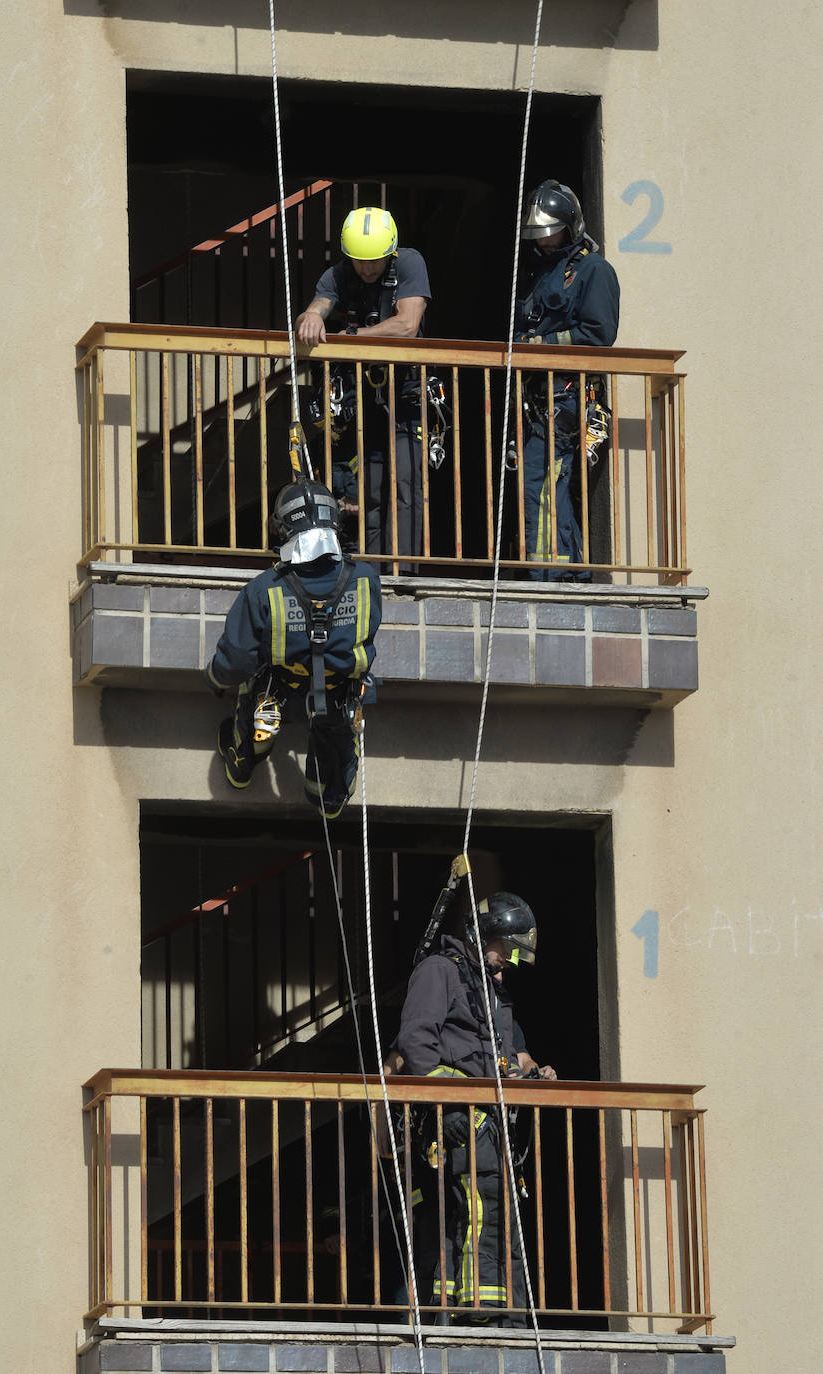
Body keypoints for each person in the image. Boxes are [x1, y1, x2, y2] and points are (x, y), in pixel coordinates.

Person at [391, 891, 556, 1325]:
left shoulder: (490, 990)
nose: (511, 962)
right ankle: (478, 1313)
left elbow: (513, 1053)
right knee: (477, 1210)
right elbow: (416, 1045)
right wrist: (451, 1104)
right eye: (508, 951)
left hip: (489, 1123)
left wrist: (534, 1073)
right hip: (456, 1121)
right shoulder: (440, 972)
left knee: (493, 1211)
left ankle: (499, 1313)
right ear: (488, 935)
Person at [204, 478, 381, 818]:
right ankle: (327, 798)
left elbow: (238, 658)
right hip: (339, 688)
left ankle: (246, 757)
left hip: (283, 684)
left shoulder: (263, 589)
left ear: (283, 528)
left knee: (252, 686)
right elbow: (367, 635)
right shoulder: (366, 579)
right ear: (334, 521)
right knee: (337, 748)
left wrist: (214, 679)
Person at [296, 207, 431, 564]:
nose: (367, 269)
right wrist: (310, 316)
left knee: (405, 486)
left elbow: (407, 325)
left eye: (375, 261)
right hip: (366, 398)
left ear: (390, 253)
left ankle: (403, 574)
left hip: (406, 395)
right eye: (360, 262)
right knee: (369, 489)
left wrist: (353, 336)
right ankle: (371, 571)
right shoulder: (340, 274)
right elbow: (320, 304)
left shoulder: (409, 263)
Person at [512, 179, 620, 580]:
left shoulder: (593, 270)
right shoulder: (540, 273)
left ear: (569, 225)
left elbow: (598, 335)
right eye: (538, 234)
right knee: (544, 486)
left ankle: (552, 578)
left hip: (570, 399)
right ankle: (564, 573)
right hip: (539, 400)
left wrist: (541, 342)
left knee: (542, 485)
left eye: (550, 232)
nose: (543, 241)